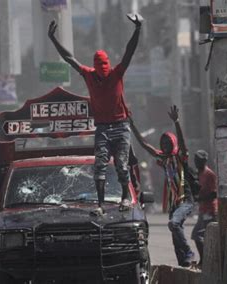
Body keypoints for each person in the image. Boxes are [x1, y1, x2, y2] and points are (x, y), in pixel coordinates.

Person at [48, 14, 142, 215]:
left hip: (120, 126)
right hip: (102, 127)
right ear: (95, 67)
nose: (103, 73)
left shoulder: (116, 73)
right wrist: (53, 39)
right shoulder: (89, 74)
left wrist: (138, 29)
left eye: (105, 69)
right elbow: (69, 58)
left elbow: (129, 52)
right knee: (99, 166)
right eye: (100, 70)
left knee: (122, 165)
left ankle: (125, 198)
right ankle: (100, 205)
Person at [131, 105, 195, 267]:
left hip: (185, 199)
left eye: (168, 142)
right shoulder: (164, 158)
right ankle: (184, 263)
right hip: (175, 204)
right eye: (163, 142)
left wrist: (177, 122)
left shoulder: (180, 156)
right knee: (175, 233)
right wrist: (131, 124)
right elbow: (145, 144)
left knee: (173, 224)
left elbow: (182, 142)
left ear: (173, 143)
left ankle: (188, 251)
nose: (165, 145)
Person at [190, 150, 217, 266]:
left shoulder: (209, 174)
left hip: (210, 210)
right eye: (195, 160)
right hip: (203, 210)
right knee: (203, 235)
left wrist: (200, 199)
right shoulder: (198, 174)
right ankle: (207, 260)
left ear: (204, 161)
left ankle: (205, 260)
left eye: (199, 160)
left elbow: (214, 194)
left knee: (198, 235)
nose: (196, 162)